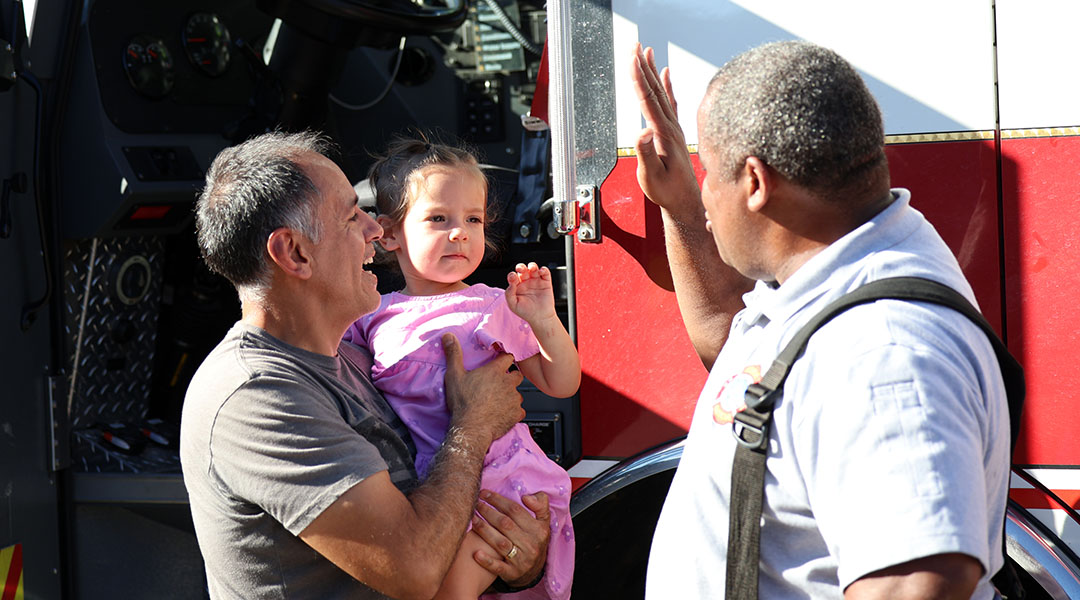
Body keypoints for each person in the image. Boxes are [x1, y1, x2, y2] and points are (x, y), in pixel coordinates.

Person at [631, 41, 1010, 598]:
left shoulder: (879, 349)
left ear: (755, 183)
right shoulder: (839, 281)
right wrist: (684, 209)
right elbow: (748, 376)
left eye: (708, 171)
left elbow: (916, 581)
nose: (706, 191)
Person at [179, 130, 551, 600]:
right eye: (350, 216)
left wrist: (517, 561)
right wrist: (473, 426)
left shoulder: (357, 356)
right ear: (294, 252)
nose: (376, 229)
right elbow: (414, 570)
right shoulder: (255, 396)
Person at [344, 136, 579, 600]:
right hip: (429, 484)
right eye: (439, 219)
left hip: (501, 483)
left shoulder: (492, 305)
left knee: (450, 590)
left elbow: (562, 382)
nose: (461, 233)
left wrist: (544, 320)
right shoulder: (369, 313)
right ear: (388, 234)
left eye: (473, 219)